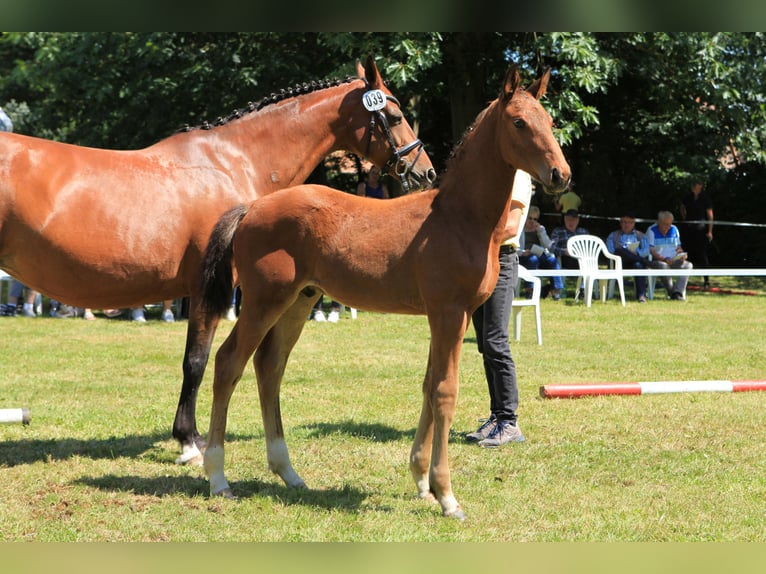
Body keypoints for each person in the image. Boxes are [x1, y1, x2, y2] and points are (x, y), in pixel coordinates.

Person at [465, 169, 532, 448]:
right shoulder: (492, 174)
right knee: (485, 344)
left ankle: (509, 422)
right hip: (482, 260)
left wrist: (467, 236)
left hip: (502, 259)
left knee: (496, 342)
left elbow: (511, 226)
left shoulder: (517, 177)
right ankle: (496, 417)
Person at [519, 205, 563, 300]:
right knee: (533, 259)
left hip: (539, 255)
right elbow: (514, 247)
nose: (532, 221)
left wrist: (540, 232)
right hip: (523, 257)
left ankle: (556, 291)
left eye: (535, 219)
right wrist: (522, 252)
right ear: (525, 217)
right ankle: (530, 290)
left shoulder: (541, 229)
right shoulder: (519, 229)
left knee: (552, 260)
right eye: (530, 218)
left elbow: (548, 246)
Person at [646, 210, 693, 300]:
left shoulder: (674, 229)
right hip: (659, 261)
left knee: (688, 265)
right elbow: (651, 251)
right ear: (659, 222)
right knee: (664, 266)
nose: (668, 227)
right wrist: (664, 259)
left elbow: (678, 247)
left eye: (669, 224)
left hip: (674, 260)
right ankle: (674, 294)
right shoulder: (651, 230)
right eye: (665, 224)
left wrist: (681, 254)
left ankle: (678, 292)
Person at [606, 210, 651, 302]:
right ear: (620, 223)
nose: (626, 225)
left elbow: (646, 250)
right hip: (618, 262)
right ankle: (647, 262)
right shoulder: (613, 235)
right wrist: (625, 252)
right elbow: (610, 251)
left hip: (634, 262)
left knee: (638, 265)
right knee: (620, 250)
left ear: (633, 223)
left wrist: (637, 253)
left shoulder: (640, 235)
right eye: (624, 222)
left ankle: (641, 295)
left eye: (629, 222)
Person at [679, 178, 714, 289]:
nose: (697, 189)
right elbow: (682, 207)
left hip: (701, 230)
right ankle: (683, 281)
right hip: (688, 229)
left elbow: (710, 215)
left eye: (699, 187)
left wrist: (710, 231)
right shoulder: (687, 197)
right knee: (685, 254)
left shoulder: (705, 198)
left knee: (702, 255)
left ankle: (706, 280)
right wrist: (684, 218)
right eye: (695, 187)